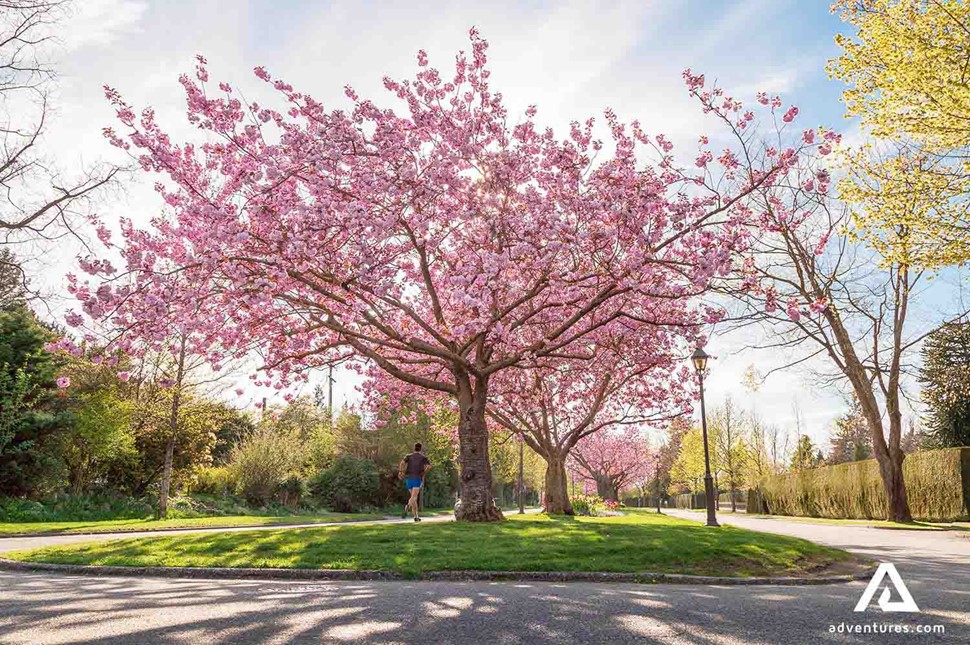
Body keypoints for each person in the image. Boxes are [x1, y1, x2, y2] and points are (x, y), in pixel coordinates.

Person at [399, 443, 431, 522]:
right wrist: (424, 472)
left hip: (408, 479)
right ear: (420, 449)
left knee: (413, 498)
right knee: (413, 497)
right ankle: (407, 507)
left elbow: (402, 463)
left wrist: (401, 472)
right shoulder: (423, 457)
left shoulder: (408, 456)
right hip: (417, 478)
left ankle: (416, 517)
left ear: (414, 448)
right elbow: (429, 466)